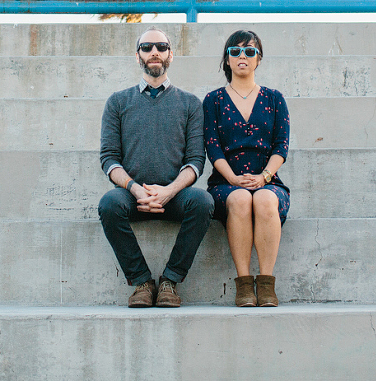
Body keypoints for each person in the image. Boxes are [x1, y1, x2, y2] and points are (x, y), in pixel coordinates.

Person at [98, 27, 213, 308]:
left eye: (161, 47)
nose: (154, 52)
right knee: (109, 204)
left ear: (170, 55)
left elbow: (196, 160)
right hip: (132, 196)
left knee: (203, 202)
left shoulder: (190, 104)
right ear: (137, 55)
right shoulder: (117, 102)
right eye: (147, 47)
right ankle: (141, 282)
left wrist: (169, 191)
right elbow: (109, 158)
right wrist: (136, 190)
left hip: (174, 196)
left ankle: (170, 281)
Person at [202, 29, 290, 307]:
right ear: (227, 60)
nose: (243, 56)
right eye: (235, 51)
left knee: (265, 199)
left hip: (268, 180)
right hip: (225, 183)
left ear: (258, 59)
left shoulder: (274, 98)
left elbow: (281, 147)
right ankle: (243, 285)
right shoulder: (213, 100)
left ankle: (265, 284)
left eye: (250, 51)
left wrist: (264, 177)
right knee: (240, 199)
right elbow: (212, 147)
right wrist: (234, 179)